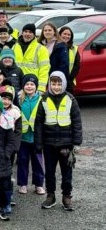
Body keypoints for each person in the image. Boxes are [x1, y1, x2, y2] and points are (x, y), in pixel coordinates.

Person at [35, 71, 82, 211]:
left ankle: (66, 196)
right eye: (53, 83)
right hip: (49, 144)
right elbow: (38, 123)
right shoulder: (43, 99)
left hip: (66, 145)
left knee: (67, 172)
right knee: (49, 171)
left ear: (64, 84)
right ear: (49, 84)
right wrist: (38, 143)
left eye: (59, 84)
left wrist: (77, 143)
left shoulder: (70, 99)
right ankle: (50, 196)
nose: (56, 86)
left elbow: (77, 122)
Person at [17, 74, 45, 195]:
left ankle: (38, 184)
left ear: (36, 86)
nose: (29, 86)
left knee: (38, 162)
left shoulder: (41, 99)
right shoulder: (19, 99)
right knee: (22, 161)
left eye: (32, 84)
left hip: (36, 137)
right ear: (23, 86)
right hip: (22, 137)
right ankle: (23, 184)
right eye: (27, 84)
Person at [0, 83, 22, 214]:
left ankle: (8, 196)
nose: (5, 101)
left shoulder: (15, 112)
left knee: (7, 173)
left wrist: (15, 147)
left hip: (9, 148)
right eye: (3, 98)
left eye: (8, 99)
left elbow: (18, 131)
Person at [13, 23, 51, 93]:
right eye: (25, 31)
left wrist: (41, 88)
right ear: (22, 33)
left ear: (34, 34)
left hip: (32, 86)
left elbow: (44, 70)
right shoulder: (15, 47)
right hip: (17, 85)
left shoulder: (41, 49)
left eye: (30, 32)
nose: (27, 34)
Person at [59, 26, 80, 94]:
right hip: (56, 80)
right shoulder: (55, 47)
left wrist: (70, 79)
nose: (66, 36)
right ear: (60, 34)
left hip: (69, 81)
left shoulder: (74, 49)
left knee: (69, 102)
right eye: (64, 34)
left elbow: (77, 66)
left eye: (69, 35)